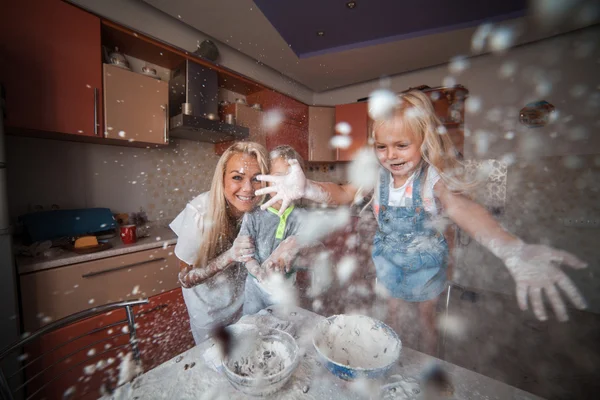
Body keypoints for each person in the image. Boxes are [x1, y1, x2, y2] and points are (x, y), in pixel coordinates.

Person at [255, 90, 587, 351]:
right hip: (388, 259)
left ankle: (428, 362)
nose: (391, 155)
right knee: (394, 315)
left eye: (402, 145)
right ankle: (397, 357)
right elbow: (342, 192)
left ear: (422, 141)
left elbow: (461, 208)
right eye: (382, 146)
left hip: (426, 261)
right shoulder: (377, 177)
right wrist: (308, 188)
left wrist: (510, 248)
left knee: (427, 319)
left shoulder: (431, 180)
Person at [169, 142, 269, 344]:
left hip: (246, 306)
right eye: (237, 177)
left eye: (256, 179)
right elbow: (185, 279)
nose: (248, 188)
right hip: (209, 314)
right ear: (222, 179)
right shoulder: (200, 213)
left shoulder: (261, 211)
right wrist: (229, 257)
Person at [239, 145, 308, 315]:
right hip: (254, 290)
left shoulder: (303, 217)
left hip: (286, 290)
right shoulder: (254, 215)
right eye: (277, 177)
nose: (284, 184)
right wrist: (259, 273)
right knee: (254, 330)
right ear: (266, 180)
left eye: (291, 178)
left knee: (285, 329)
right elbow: (245, 253)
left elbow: (308, 251)